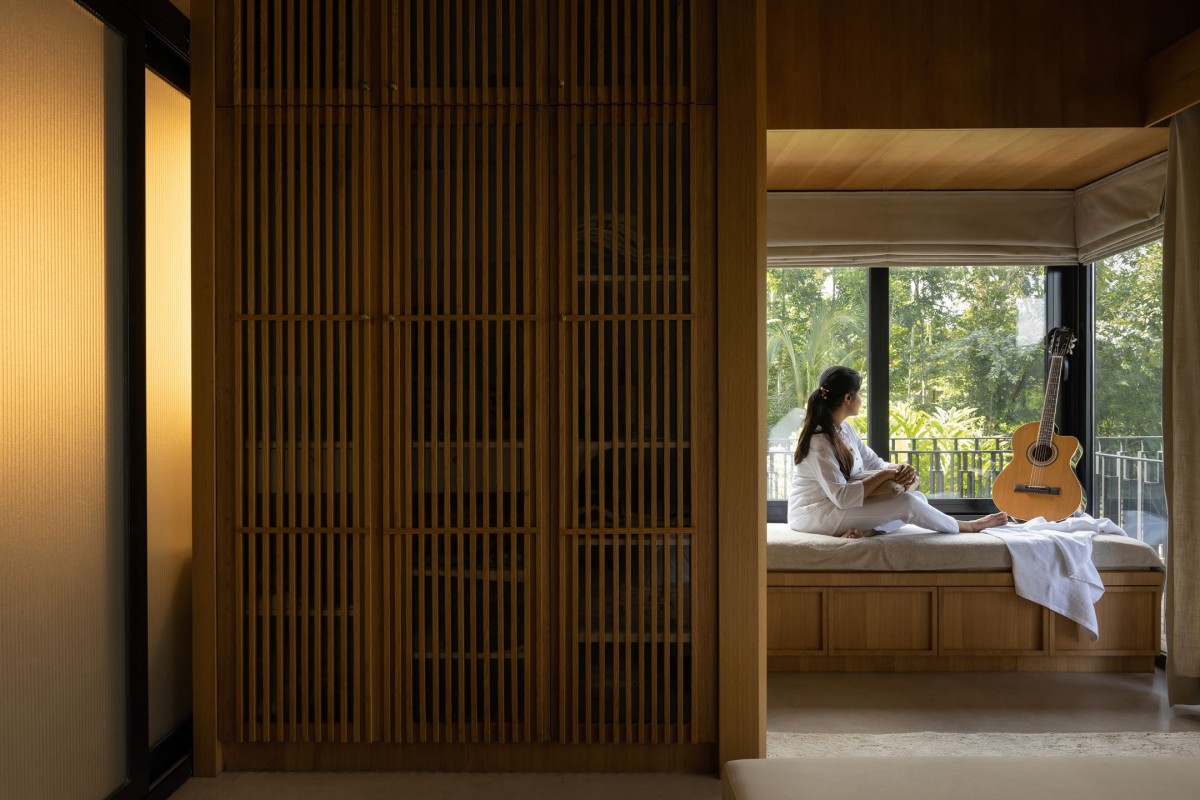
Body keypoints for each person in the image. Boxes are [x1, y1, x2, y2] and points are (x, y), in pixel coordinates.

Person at [788, 365, 1008, 538]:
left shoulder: (844, 428)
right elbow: (842, 497)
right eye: (860, 394)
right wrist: (886, 476)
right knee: (908, 504)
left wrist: (898, 470)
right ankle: (967, 526)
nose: (861, 399)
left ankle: (871, 531)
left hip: (834, 508)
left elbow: (872, 462)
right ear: (848, 398)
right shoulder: (820, 441)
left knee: (917, 497)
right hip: (814, 515)